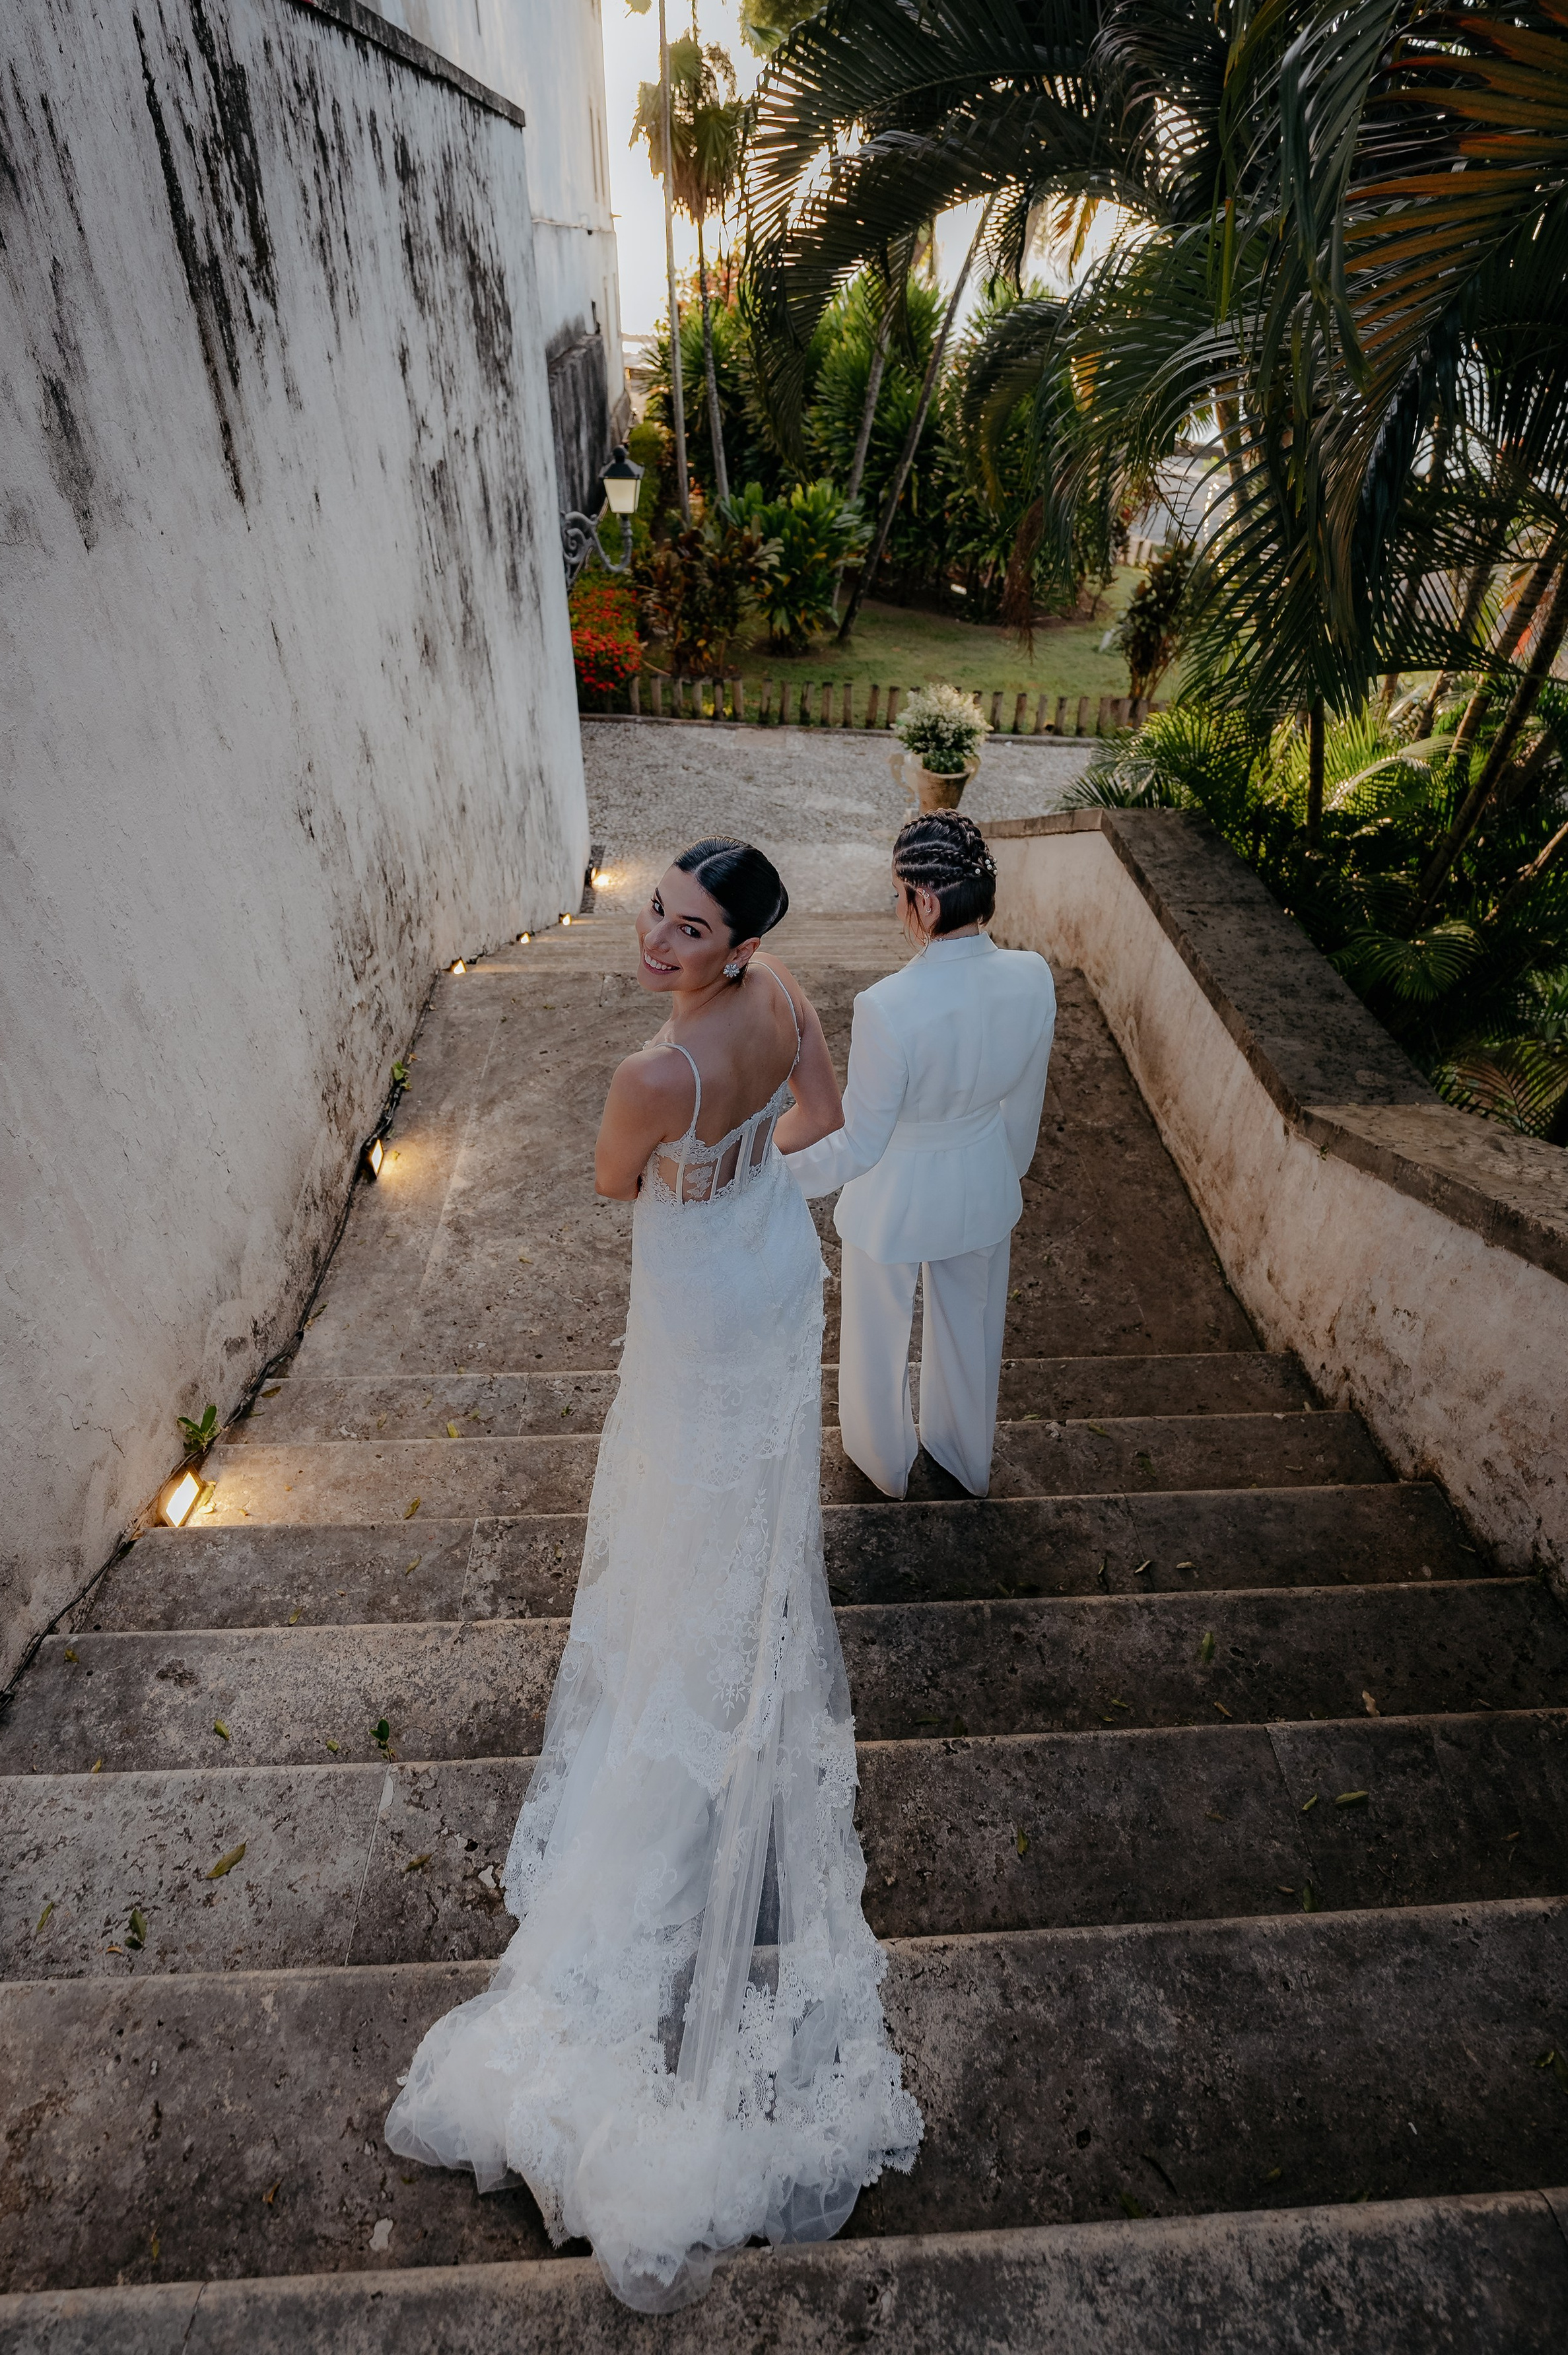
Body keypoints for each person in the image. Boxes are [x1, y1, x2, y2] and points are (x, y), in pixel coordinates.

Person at [385, 840, 922, 2313]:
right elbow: (816, 1123)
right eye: (652, 916)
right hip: (769, 1269)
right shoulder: (788, 991)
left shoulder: (645, 1076)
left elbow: (618, 1186)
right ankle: (716, 1670)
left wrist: (702, 1156)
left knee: (677, 1499)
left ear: (733, 939)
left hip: (698, 1289)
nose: (655, 941)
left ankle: (675, 1714)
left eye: (686, 927)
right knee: (740, 1515)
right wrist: (751, 1169)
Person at [778, 813, 1056, 1499]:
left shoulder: (888, 1006)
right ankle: (964, 1455)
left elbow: (862, 1140)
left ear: (924, 901)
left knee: (877, 1338)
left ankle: (884, 1462)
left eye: (898, 895)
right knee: (972, 1332)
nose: (897, 908)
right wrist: (1002, 1173)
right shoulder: (1033, 976)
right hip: (984, 1181)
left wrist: (777, 1176)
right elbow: (1023, 1105)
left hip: (895, 1195)